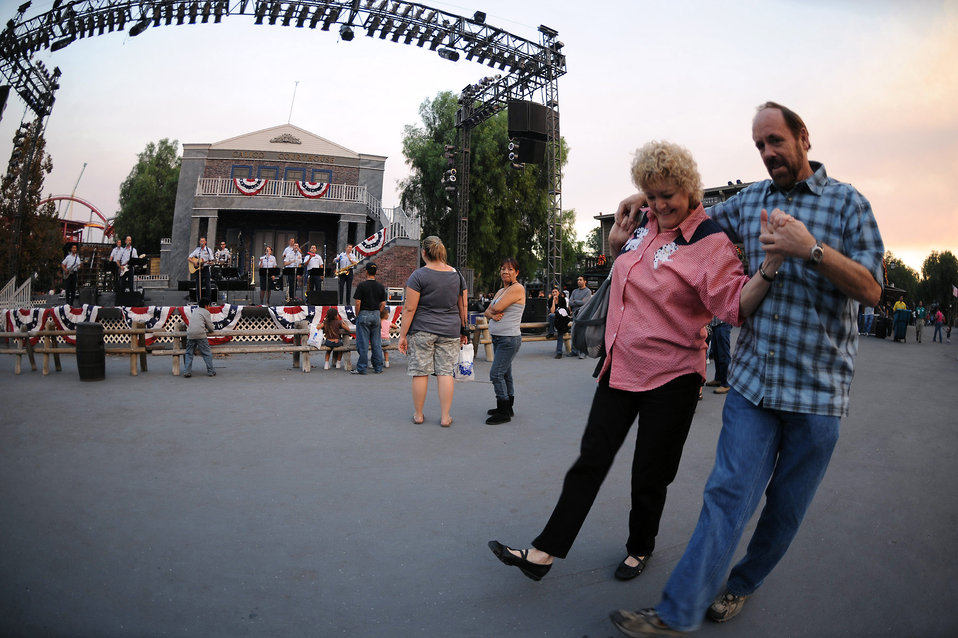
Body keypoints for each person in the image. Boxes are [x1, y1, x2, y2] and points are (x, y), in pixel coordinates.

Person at [608, 102, 884, 637]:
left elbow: (872, 289)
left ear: (803, 137)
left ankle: (742, 583)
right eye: (759, 146)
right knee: (727, 495)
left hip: (819, 393)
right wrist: (650, 197)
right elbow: (690, 214)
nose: (768, 154)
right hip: (754, 384)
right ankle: (676, 611)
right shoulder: (750, 201)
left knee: (784, 510)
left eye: (776, 141)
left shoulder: (850, 205)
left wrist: (813, 250)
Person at [489, 139, 784, 586]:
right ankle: (543, 552)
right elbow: (629, 282)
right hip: (620, 367)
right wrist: (615, 247)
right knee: (590, 461)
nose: (660, 204)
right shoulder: (642, 225)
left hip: (673, 377)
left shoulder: (710, 242)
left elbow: (735, 307)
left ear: (689, 189)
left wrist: (770, 267)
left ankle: (640, 546)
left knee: (649, 474)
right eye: (652, 194)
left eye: (669, 195)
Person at [397, 235, 468, 427]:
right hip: (450, 329)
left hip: (422, 329)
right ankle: (445, 417)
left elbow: (410, 309)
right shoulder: (457, 275)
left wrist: (402, 335)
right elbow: (463, 305)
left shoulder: (418, 275)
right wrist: (464, 329)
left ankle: (419, 415)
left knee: (420, 372)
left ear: (424, 253)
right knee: (445, 372)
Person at [484, 257, 526, 425]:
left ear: (516, 272)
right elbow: (487, 311)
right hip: (499, 338)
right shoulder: (501, 291)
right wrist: (492, 313)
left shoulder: (518, 288)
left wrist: (493, 310)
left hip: (509, 338)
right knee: (505, 373)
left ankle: (503, 412)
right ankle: (507, 407)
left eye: (509, 269)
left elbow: (497, 307)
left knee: (496, 373)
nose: (505, 272)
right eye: (502, 268)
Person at [351, 263, 387, 375]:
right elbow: (383, 303)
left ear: (366, 271)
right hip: (376, 314)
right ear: (376, 272)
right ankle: (378, 367)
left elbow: (357, 303)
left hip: (364, 313)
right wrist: (378, 312)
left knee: (363, 343)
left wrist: (358, 315)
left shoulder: (361, 286)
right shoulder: (381, 286)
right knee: (376, 343)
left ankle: (362, 367)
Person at [183, 297, 216, 378]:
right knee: (206, 353)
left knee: (189, 353)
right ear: (206, 306)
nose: (210, 307)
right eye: (209, 305)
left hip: (190, 334)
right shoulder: (206, 312)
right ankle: (211, 371)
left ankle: (187, 371)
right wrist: (211, 329)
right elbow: (210, 328)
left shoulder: (195, 311)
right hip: (200, 334)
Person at [705, 316, 731, 394]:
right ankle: (719, 378)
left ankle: (726, 383)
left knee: (723, 353)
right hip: (715, 323)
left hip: (723, 322)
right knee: (716, 352)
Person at [568, 275, 593, 358]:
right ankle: (574, 351)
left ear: (585, 281)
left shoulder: (588, 291)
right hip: (575, 314)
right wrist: (576, 301)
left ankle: (583, 352)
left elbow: (584, 303)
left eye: (580, 280)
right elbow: (570, 302)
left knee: (582, 333)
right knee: (574, 332)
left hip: (583, 314)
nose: (578, 281)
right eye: (578, 280)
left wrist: (574, 301)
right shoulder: (574, 291)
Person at [550, 287, 572, 359]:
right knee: (552, 315)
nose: (554, 293)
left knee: (560, 334)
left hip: (561, 319)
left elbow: (564, 311)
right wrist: (553, 301)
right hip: (555, 319)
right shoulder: (550, 300)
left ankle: (559, 352)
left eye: (555, 292)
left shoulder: (562, 300)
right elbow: (552, 311)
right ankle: (551, 331)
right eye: (553, 292)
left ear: (558, 292)